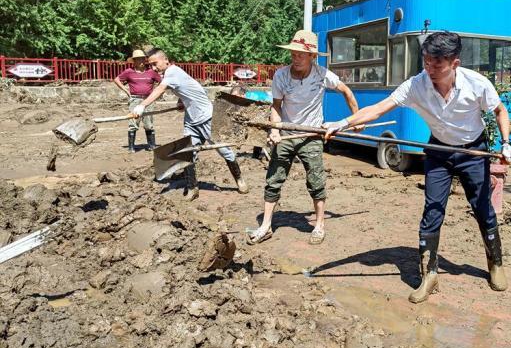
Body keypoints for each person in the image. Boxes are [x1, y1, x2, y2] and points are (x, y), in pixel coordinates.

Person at [324, 31, 511, 303]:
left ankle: (495, 263)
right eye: (426, 61)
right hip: (439, 151)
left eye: (437, 64)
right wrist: (341, 123)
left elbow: (499, 111)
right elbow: (379, 108)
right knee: (432, 210)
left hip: (473, 151)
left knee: (483, 208)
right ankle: (430, 274)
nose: (430, 69)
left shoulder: (477, 84)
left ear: (455, 63)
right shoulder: (416, 85)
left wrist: (506, 143)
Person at [246, 29, 361, 246]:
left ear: (312, 56)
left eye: (301, 54)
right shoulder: (281, 75)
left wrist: (356, 119)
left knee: (316, 181)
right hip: (287, 133)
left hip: (312, 135)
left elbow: (346, 91)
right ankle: (266, 225)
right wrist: (274, 131)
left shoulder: (322, 74)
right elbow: (276, 106)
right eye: (293, 53)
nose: (296, 58)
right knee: (273, 180)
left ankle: (319, 225)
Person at [132, 48, 249, 201]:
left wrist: (142, 105)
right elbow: (189, 89)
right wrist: (181, 102)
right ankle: (192, 188)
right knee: (187, 153)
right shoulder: (172, 74)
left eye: (155, 64)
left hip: (207, 118)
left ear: (166, 60)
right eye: (151, 65)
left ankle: (239, 180)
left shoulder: (172, 71)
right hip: (191, 121)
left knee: (224, 151)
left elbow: (160, 90)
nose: (153, 68)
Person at [113, 49, 161, 152]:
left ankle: (151, 145)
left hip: (148, 100)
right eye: (138, 59)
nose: (141, 61)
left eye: (143, 59)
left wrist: (156, 92)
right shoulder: (129, 72)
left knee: (148, 123)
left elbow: (161, 82)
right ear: (134, 61)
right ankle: (131, 147)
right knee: (133, 122)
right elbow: (117, 79)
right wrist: (125, 90)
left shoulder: (151, 72)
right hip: (135, 100)